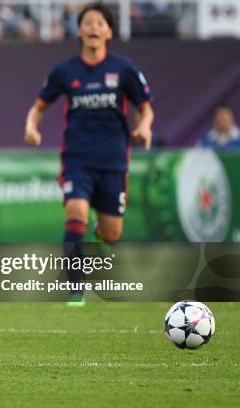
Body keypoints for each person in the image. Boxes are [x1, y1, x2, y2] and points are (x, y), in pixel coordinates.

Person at [24, 2, 154, 303]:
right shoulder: (65, 71)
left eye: (100, 23)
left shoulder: (124, 69)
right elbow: (39, 107)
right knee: (76, 212)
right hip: (77, 158)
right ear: (79, 30)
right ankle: (75, 286)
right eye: (88, 22)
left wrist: (144, 127)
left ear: (109, 31)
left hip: (113, 159)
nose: (94, 27)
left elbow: (145, 109)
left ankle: (101, 234)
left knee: (112, 234)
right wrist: (32, 127)